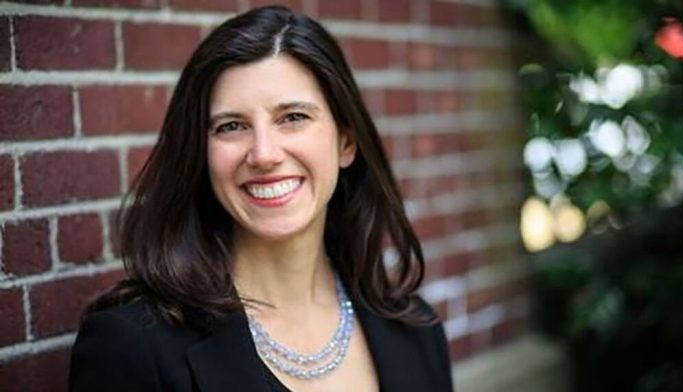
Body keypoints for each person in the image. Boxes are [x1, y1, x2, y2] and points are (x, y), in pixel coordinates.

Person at [69, 5, 454, 392]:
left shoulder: (417, 331)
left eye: (293, 117)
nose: (264, 154)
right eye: (231, 126)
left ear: (346, 141)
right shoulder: (132, 347)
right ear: (201, 155)